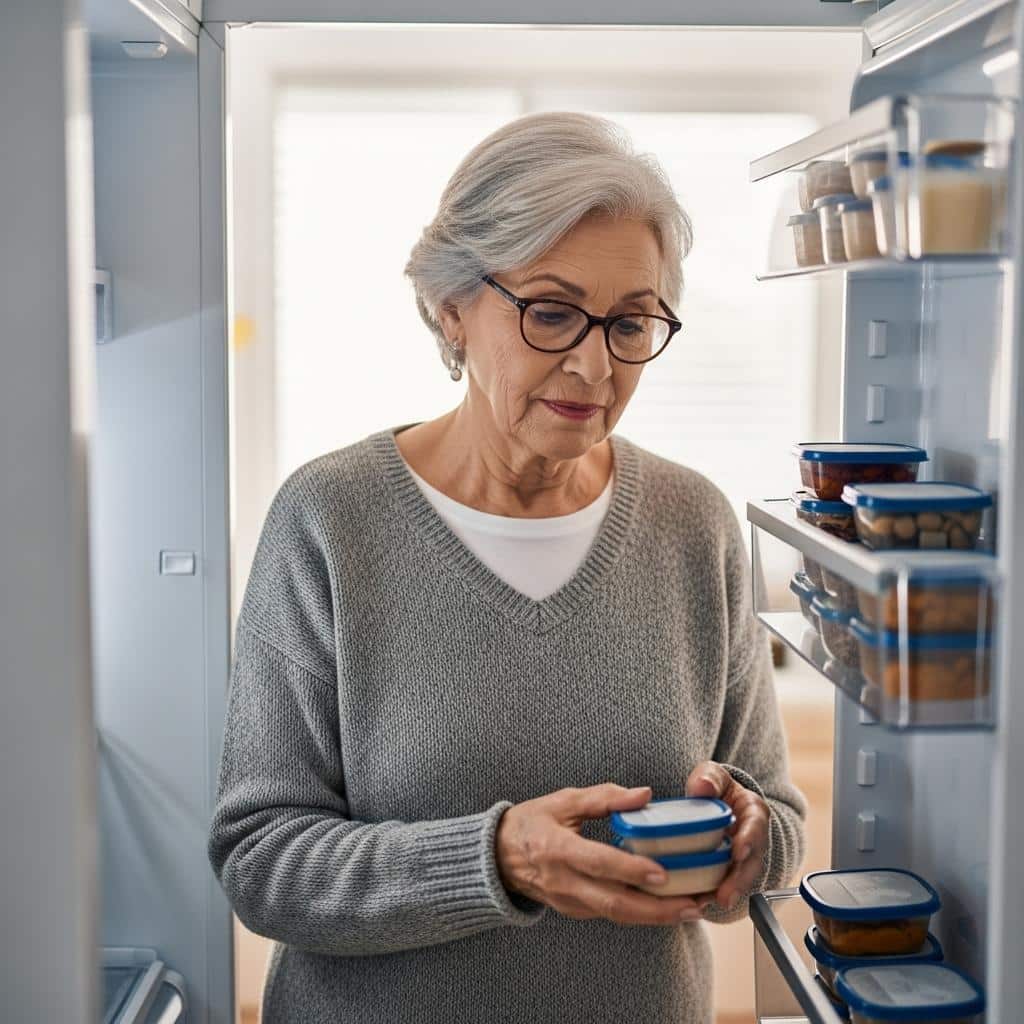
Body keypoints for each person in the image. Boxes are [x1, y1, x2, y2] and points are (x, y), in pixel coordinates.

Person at [208, 110, 805, 1024]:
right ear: (452, 306)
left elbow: (777, 817)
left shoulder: (694, 523)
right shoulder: (330, 519)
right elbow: (263, 860)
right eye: (552, 312)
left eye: (631, 323)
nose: (593, 364)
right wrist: (499, 860)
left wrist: (753, 840)